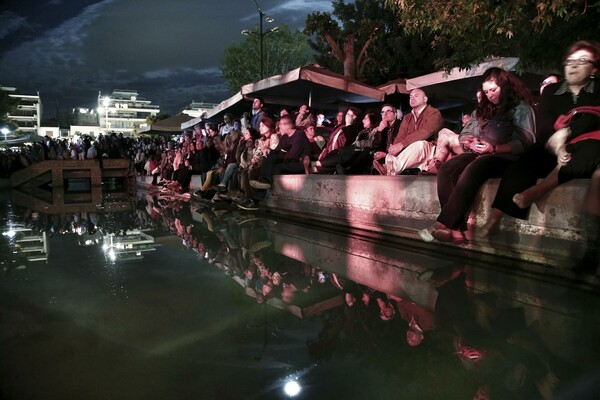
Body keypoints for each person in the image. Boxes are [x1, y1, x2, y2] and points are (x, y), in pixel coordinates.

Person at [480, 41, 600, 252]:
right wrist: (557, 144)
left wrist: (568, 134)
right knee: (528, 158)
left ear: (594, 68)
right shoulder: (553, 90)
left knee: (589, 150)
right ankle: (496, 215)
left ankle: (536, 192)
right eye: (570, 60)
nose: (574, 65)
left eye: (582, 61)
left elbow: (594, 119)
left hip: (585, 145)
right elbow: (544, 128)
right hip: (553, 146)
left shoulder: (598, 90)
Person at [419, 67, 536, 244]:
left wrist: (495, 148)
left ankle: (442, 223)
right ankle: (457, 231)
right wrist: (470, 140)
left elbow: (526, 141)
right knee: (447, 169)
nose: (490, 95)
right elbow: (464, 133)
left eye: (494, 90)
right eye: (487, 91)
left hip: (504, 157)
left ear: (505, 86)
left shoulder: (520, 108)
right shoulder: (482, 110)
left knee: (475, 167)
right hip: (479, 152)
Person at [373, 89, 444, 175]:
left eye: (416, 96)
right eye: (410, 96)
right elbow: (400, 136)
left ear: (425, 99)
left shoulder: (433, 113)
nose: (412, 98)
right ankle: (389, 168)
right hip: (411, 152)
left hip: (430, 150)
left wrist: (401, 144)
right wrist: (394, 148)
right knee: (392, 153)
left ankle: (392, 168)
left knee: (420, 144)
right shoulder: (407, 117)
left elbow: (426, 131)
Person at [250, 114, 311, 190]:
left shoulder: (299, 135)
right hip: (287, 161)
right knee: (268, 156)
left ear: (288, 125)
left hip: (298, 163)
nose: (279, 127)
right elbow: (277, 150)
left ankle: (265, 183)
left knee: (276, 167)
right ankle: (264, 180)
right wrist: (269, 151)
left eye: (281, 124)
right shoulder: (285, 137)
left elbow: (293, 155)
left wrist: (280, 156)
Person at [313, 107, 363, 174]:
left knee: (318, 168)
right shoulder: (340, 127)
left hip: (340, 156)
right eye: (348, 114)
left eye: (352, 115)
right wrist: (323, 145)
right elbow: (332, 141)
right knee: (314, 168)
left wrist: (349, 124)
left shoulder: (355, 129)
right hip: (330, 153)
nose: (349, 117)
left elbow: (349, 141)